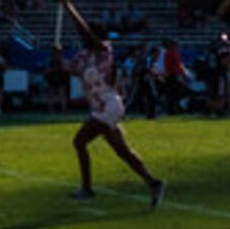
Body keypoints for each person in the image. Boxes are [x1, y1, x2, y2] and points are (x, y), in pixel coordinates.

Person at [64, 25, 165, 207]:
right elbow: (67, 69)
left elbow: (83, 29)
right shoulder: (83, 56)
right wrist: (56, 57)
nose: (82, 35)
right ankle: (154, 183)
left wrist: (68, 5)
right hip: (100, 107)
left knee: (79, 141)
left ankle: (87, 188)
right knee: (122, 151)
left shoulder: (104, 50)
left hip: (108, 105)